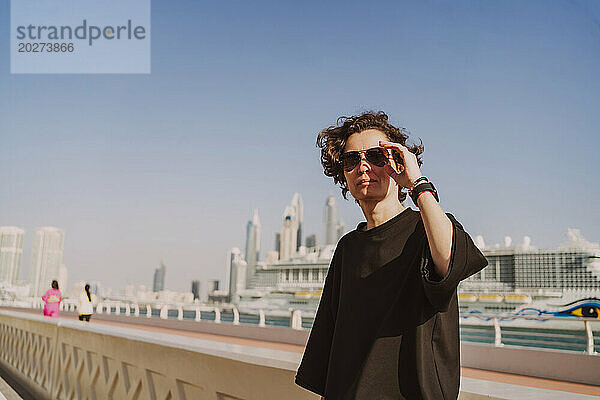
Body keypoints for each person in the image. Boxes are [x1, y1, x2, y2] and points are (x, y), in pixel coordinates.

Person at [295, 111, 488, 399]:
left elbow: (449, 262)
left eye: (376, 156)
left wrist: (418, 184)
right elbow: (331, 342)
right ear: (343, 174)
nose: (363, 166)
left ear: (398, 163)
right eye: (351, 160)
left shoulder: (427, 231)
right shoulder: (348, 247)